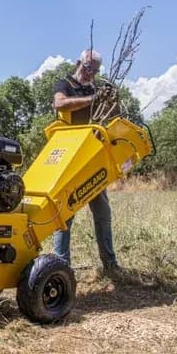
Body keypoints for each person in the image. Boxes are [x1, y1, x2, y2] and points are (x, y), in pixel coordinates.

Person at [52, 49, 120, 273]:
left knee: (102, 213)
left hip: (92, 158)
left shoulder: (95, 89)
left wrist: (110, 99)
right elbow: (60, 104)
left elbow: (110, 116)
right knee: (65, 216)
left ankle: (110, 265)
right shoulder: (65, 84)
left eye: (96, 70)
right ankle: (61, 269)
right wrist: (92, 99)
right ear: (79, 63)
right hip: (69, 157)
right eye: (88, 67)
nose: (91, 72)